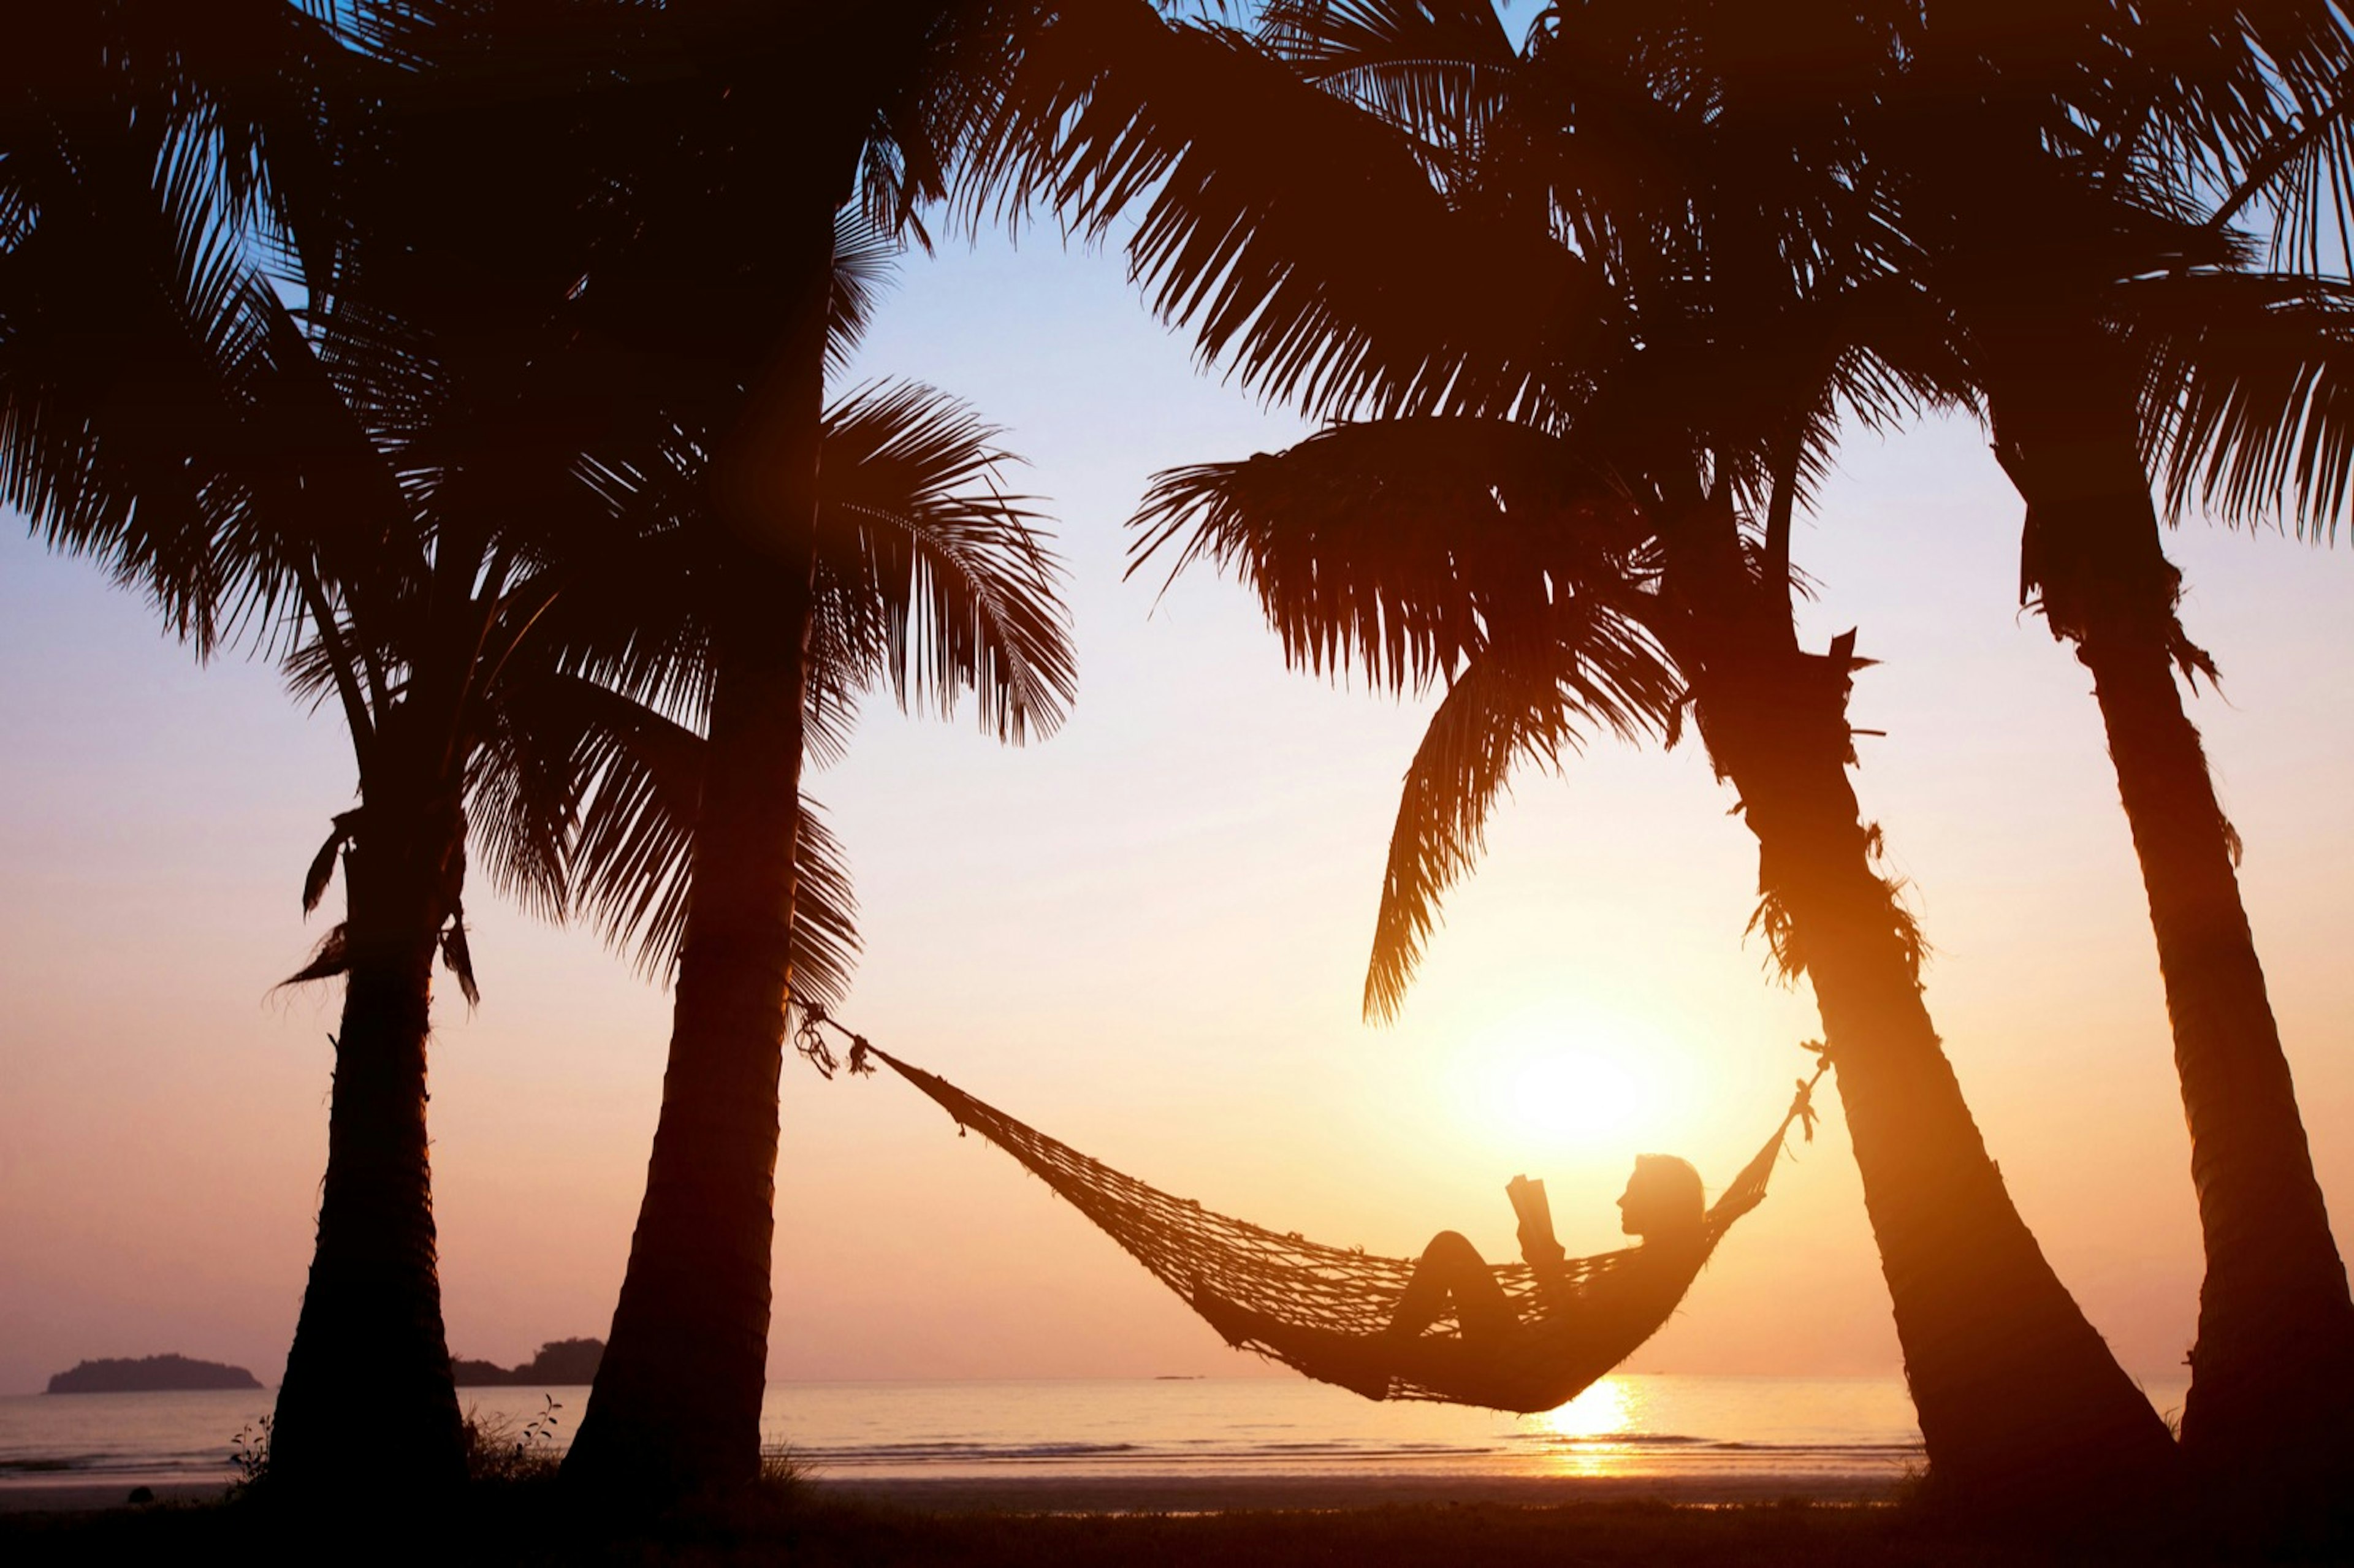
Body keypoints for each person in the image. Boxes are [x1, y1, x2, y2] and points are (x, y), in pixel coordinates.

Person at [1194, 1155, 1713, 1410]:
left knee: (1428, 1273)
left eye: (1632, 1193)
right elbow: (1570, 1318)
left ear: (1662, 1202)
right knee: (1386, 1331)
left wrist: (1543, 1244)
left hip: (1525, 1368)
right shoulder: (1654, 1266)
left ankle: (1249, 1324)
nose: (1620, 1202)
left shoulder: (1649, 1273)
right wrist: (1538, 1243)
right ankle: (1254, 1325)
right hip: (1523, 1355)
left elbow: (1574, 1321)